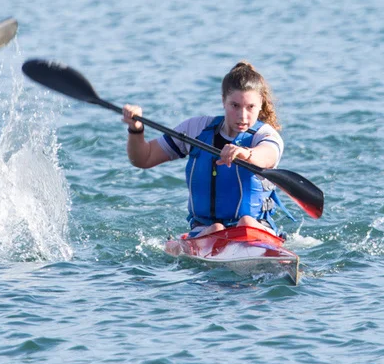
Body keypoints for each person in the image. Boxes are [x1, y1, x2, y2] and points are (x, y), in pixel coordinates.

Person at [120, 62, 286, 239]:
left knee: (246, 222)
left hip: (256, 229)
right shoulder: (196, 129)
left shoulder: (265, 135)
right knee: (216, 229)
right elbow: (144, 158)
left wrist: (246, 153)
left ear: (261, 104)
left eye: (250, 107)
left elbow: (268, 155)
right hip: (204, 231)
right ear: (223, 101)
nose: (242, 116)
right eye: (235, 105)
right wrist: (136, 129)